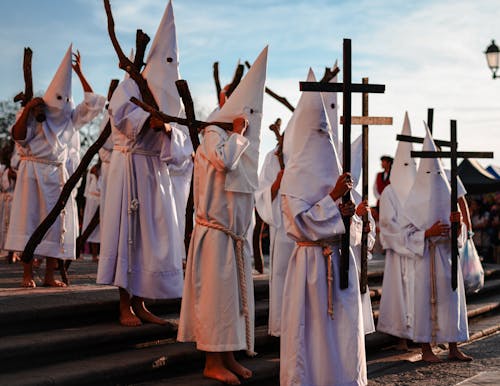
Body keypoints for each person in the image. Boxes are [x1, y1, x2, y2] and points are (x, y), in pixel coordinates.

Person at [178, 46, 268, 385]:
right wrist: (238, 133)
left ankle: (228, 355)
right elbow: (223, 162)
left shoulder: (234, 136)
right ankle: (212, 361)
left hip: (234, 235)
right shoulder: (213, 133)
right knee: (217, 300)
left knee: (232, 301)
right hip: (215, 234)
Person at [97, 0, 189, 327]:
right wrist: (145, 119)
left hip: (155, 172)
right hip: (130, 167)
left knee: (152, 237)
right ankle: (125, 305)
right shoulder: (132, 85)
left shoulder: (174, 93)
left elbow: (181, 138)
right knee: (129, 234)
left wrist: (166, 129)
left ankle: (142, 302)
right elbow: (118, 115)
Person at [279, 69, 366, 386]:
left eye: (325, 132)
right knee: (311, 337)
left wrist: (349, 215)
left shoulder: (338, 172)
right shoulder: (293, 179)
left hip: (340, 263)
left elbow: (352, 229)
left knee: (343, 337)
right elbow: (298, 225)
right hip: (310, 268)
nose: (322, 138)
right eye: (316, 131)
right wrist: (332, 198)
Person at [5, 45, 105, 287]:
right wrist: (28, 108)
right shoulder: (35, 116)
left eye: (66, 100)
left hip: (58, 176)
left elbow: (93, 105)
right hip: (32, 175)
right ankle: (27, 274)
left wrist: (80, 74)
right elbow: (18, 136)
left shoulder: (70, 119)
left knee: (56, 225)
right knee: (30, 222)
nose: (62, 104)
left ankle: (49, 275)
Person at [402, 125, 472, 362]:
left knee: (450, 301)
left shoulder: (447, 187)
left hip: (446, 255)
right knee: (424, 303)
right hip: (426, 256)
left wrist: (458, 225)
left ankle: (453, 346)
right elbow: (405, 234)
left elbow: (458, 234)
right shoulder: (414, 196)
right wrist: (426, 233)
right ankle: (426, 350)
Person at [377, 112, 417, 350]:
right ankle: (401, 337)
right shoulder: (389, 193)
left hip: (415, 251)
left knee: (415, 294)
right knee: (399, 296)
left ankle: (418, 336)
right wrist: (408, 239)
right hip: (400, 252)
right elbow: (387, 223)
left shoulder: (418, 190)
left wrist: (417, 236)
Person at [254, 129, 294, 337]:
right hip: (283, 230)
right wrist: (277, 184)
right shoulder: (273, 157)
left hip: (306, 229)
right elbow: (260, 194)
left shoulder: (305, 156)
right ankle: (282, 328)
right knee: (282, 277)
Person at [81, 161, 101, 261]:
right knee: (90, 226)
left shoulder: (108, 167)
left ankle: (98, 254)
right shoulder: (93, 169)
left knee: (101, 229)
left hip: (102, 198)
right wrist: (85, 202)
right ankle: (92, 254)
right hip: (92, 200)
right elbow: (87, 186)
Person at [372, 155, 393, 221]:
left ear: (389, 163)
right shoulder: (379, 175)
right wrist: (380, 197)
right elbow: (375, 188)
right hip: (380, 201)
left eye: (383, 162)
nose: (381, 164)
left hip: (390, 202)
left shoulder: (394, 174)